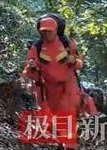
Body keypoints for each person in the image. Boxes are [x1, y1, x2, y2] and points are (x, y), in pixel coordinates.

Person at [22, 15, 84, 150]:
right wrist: (31, 66)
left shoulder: (68, 44)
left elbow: (80, 63)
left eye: (49, 31)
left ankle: (70, 146)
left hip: (68, 85)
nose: (46, 34)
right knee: (55, 116)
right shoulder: (36, 48)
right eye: (43, 31)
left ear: (56, 30)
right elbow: (28, 72)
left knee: (67, 114)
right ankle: (63, 143)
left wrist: (73, 61)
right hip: (49, 87)